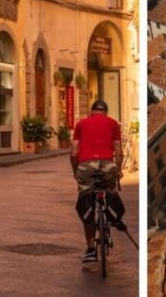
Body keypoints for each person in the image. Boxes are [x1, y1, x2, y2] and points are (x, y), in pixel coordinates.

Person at [70, 99, 124, 263]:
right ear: (106, 112)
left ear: (91, 112)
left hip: (86, 167)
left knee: (86, 204)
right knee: (111, 192)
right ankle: (112, 217)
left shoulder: (81, 124)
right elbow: (118, 151)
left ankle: (91, 248)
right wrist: (119, 169)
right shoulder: (113, 123)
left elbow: (73, 153)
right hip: (108, 165)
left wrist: (76, 171)